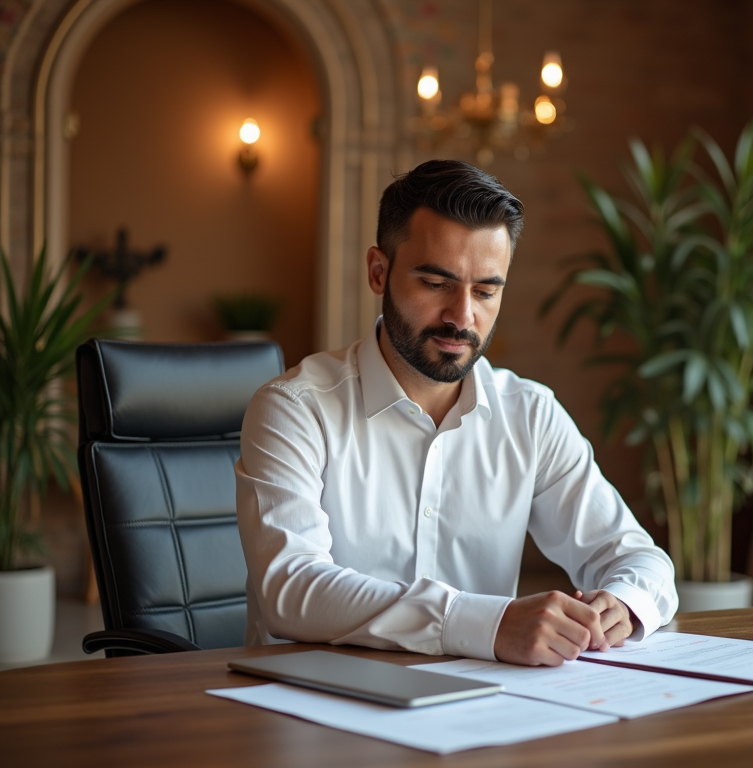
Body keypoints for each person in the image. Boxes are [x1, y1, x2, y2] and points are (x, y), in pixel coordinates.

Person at [235, 159, 677, 666]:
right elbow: (292, 590)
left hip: (477, 713)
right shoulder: (294, 409)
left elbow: (638, 559)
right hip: (312, 712)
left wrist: (623, 602)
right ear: (379, 272)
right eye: (436, 283)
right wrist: (486, 624)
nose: (463, 316)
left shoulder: (530, 416)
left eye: (486, 291)